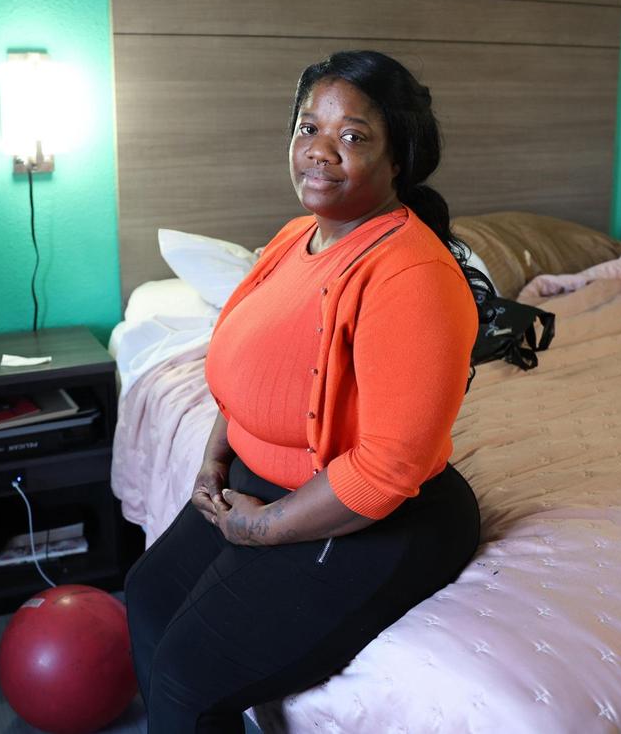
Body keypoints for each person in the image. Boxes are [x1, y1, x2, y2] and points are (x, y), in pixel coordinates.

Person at [124, 50, 483, 733]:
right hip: (261, 478)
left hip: (374, 514)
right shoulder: (294, 238)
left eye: (353, 135)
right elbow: (243, 371)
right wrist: (211, 462)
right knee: (146, 594)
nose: (321, 152)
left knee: (187, 680)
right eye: (308, 128)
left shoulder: (414, 276)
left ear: (397, 158)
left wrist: (256, 528)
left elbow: (386, 470)